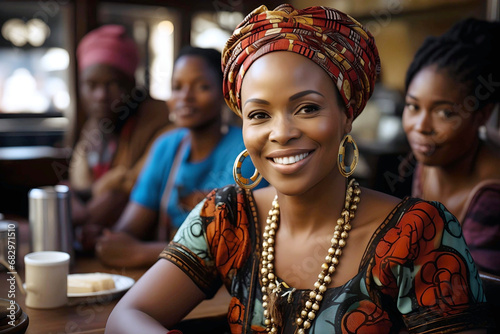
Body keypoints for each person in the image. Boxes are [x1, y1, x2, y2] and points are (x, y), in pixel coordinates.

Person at [105, 5, 492, 333]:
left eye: (307, 108)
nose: (282, 133)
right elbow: (127, 315)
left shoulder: (418, 235)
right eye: (259, 114)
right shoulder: (226, 218)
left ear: (346, 116)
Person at [96, 46, 267, 268]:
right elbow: (129, 227)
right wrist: (106, 238)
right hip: (171, 274)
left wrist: (142, 253)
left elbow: (236, 243)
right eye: (177, 87)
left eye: (202, 86)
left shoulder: (245, 153)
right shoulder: (166, 147)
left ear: (225, 93)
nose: (185, 97)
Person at [402, 18, 500, 275]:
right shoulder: (430, 158)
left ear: (481, 114)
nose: (422, 126)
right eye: (413, 106)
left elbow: (477, 295)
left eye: (445, 113)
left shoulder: (491, 196)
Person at [69, 24, 173, 252]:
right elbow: (79, 185)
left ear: (131, 83)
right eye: (91, 85)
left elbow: (124, 190)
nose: (101, 96)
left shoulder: (161, 121)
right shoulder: (94, 128)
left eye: (112, 84)